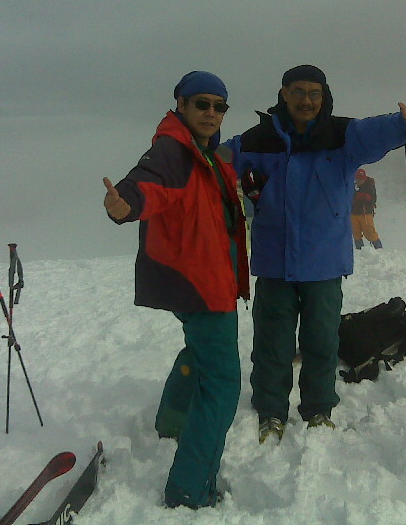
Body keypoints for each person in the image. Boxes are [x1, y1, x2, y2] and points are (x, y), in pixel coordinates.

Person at [223, 65, 406, 443]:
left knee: (322, 342)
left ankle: (319, 409)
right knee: (272, 344)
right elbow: (215, 161)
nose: (306, 100)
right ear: (284, 94)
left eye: (314, 93)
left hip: (324, 265)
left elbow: (375, 132)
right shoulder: (258, 140)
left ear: (323, 97)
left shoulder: (341, 136)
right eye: (298, 92)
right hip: (274, 264)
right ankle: (271, 411)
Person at [102, 71, 249, 509]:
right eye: (201, 103)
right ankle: (190, 488)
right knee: (222, 383)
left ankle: (171, 421)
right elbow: (147, 182)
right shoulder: (174, 149)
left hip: (206, 279)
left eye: (219, 106)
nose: (210, 112)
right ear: (180, 105)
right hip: (203, 285)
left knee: (199, 352)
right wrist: (125, 203)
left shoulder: (208, 155)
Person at [351, 167, 382, 249]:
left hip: (365, 213)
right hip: (353, 213)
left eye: (361, 179)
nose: (359, 181)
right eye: (358, 179)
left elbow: (373, 199)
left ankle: (379, 250)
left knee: (370, 233)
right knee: (356, 234)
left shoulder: (369, 186)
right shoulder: (352, 186)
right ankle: (360, 251)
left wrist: (364, 198)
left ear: (364, 179)